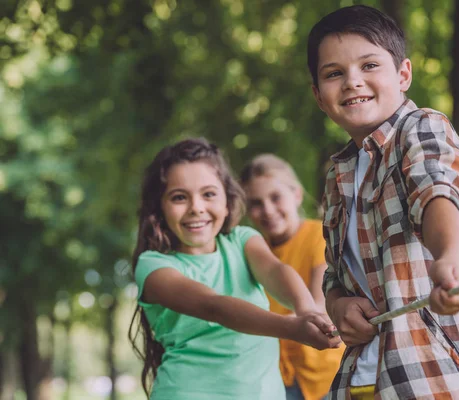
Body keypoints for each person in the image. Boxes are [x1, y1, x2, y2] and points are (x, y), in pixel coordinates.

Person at [307, 5, 459, 400]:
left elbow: (437, 193)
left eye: (369, 65)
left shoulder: (421, 127)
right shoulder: (338, 173)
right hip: (360, 376)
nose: (352, 82)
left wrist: (447, 258)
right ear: (318, 96)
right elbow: (334, 275)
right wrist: (338, 304)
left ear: (403, 74)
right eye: (334, 73)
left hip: (429, 372)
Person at [128, 138, 341, 400]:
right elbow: (213, 306)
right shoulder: (154, 266)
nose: (197, 208)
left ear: (227, 201)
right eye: (179, 197)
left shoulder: (242, 240)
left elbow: (274, 271)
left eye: (208, 194)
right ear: (160, 208)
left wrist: (306, 309)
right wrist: (293, 328)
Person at [240, 154, 346, 400]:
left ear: (296, 195)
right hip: (274, 378)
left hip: (325, 374)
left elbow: (319, 305)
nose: (267, 210)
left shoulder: (318, 236)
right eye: (255, 203)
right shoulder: (254, 251)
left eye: (276, 198)